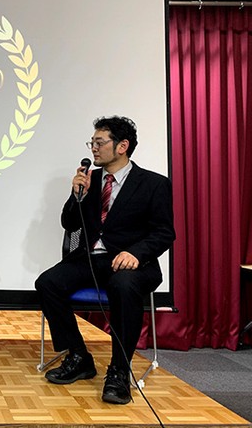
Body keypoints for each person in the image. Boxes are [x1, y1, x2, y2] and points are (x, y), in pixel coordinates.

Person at [35, 116, 175, 404]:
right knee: (47, 282)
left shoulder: (153, 184)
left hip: (132, 263)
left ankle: (119, 371)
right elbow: (69, 223)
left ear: (122, 146)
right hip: (91, 259)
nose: (94, 148)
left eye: (100, 142)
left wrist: (136, 253)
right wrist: (77, 196)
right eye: (92, 142)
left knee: (123, 286)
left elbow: (164, 233)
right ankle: (79, 356)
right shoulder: (90, 180)